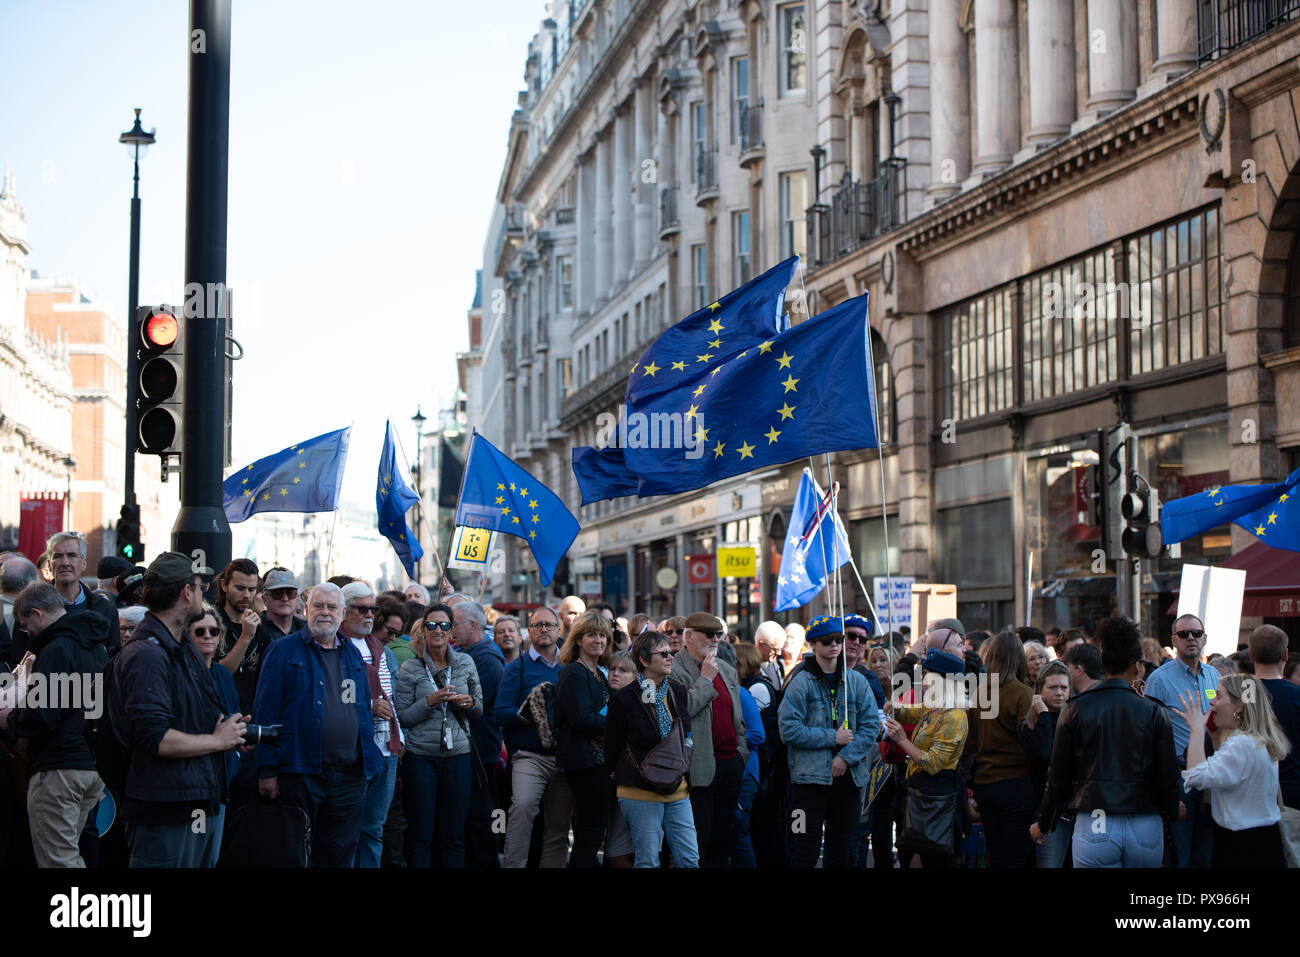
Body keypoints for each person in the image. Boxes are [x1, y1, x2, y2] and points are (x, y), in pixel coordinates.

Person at [109, 552, 246, 867]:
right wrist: (218, 741)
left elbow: (192, 717)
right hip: (166, 811)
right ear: (187, 593)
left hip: (196, 801)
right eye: (200, 587)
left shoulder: (182, 648)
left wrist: (233, 732)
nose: (203, 593)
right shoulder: (147, 655)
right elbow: (155, 737)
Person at [1030, 616, 1181, 867]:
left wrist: (1044, 822)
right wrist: (1173, 809)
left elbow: (1058, 776)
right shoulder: (1153, 711)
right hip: (1144, 818)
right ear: (1136, 666)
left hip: (1094, 817)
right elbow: (1167, 774)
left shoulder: (1076, 708)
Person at [253, 582, 382, 867]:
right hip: (299, 770)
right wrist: (267, 770)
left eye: (332, 607)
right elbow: (266, 711)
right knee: (293, 854)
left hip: (349, 774)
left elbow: (361, 710)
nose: (325, 612)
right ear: (306, 609)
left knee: (339, 854)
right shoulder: (282, 650)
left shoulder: (351, 653)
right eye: (318, 606)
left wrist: (368, 763)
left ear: (343, 613)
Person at [11, 582, 110, 867]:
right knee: (69, 854)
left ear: (37, 613)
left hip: (59, 770)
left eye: (24, 624)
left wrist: (11, 717)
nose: (26, 632)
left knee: (59, 860)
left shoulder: (56, 649)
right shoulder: (96, 646)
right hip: (90, 766)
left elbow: (42, 713)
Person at [779, 616, 880, 868]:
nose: (834, 646)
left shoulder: (856, 681)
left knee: (841, 851)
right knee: (803, 849)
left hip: (848, 783)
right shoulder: (800, 683)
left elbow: (870, 727)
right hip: (806, 783)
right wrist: (831, 737)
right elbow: (788, 730)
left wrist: (846, 756)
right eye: (827, 642)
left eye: (838, 640)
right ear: (813, 645)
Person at [394, 602, 482, 867]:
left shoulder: (466, 662)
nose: (438, 630)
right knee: (421, 833)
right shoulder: (411, 668)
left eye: (444, 625)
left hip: (458, 758)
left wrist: (469, 703)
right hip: (421, 758)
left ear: (451, 631)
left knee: (453, 833)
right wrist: (429, 702)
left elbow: (480, 708)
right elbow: (403, 717)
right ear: (423, 630)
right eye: (431, 624)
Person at [604, 631, 698, 868]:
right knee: (647, 861)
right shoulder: (624, 699)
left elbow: (686, 733)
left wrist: (686, 756)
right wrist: (617, 770)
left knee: (689, 860)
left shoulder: (677, 691)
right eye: (663, 653)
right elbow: (612, 745)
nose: (670, 657)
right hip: (640, 791)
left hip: (678, 789)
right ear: (644, 661)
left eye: (671, 653)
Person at [1178, 673, 1290, 867]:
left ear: (1239, 706)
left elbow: (1195, 776)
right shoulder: (1255, 739)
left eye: (1219, 695)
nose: (1212, 701)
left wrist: (1196, 730)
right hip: (1260, 840)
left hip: (1243, 846)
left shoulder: (1242, 743)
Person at [495, 604, 572, 868]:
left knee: (559, 825)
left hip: (564, 757)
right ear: (529, 631)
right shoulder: (517, 668)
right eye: (538, 625)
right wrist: (531, 713)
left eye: (549, 625)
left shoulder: (569, 665)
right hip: (530, 757)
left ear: (558, 629)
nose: (544, 630)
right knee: (522, 808)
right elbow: (499, 712)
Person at [669, 611, 748, 868]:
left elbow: (738, 717)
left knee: (723, 839)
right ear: (689, 636)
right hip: (697, 767)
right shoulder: (674, 669)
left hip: (729, 763)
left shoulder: (725, 668)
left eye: (718, 635)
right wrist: (704, 678)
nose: (715, 640)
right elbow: (683, 710)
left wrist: (740, 752)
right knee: (697, 840)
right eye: (708, 635)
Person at [1142, 613, 1219, 868]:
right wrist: (1167, 791)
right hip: (1179, 776)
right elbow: (1149, 738)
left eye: (1196, 633)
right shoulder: (1159, 680)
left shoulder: (1215, 677)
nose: (1191, 639)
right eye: (1184, 634)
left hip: (1212, 772)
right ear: (1173, 640)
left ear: (1205, 638)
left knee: (1207, 853)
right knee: (1180, 854)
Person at [882, 649, 970, 867]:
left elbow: (933, 763)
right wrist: (896, 708)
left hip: (936, 800)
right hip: (920, 793)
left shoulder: (954, 717)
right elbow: (912, 712)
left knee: (934, 859)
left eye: (926, 674)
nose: (921, 679)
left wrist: (903, 740)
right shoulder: (935, 707)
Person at [338, 582, 404, 869]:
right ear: (344, 611)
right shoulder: (334, 645)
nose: (369, 615)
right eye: (362, 609)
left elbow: (392, 697)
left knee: (374, 829)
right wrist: (366, 706)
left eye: (372, 609)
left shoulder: (381, 648)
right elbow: (328, 698)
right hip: (353, 750)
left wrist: (399, 736)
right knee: (347, 829)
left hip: (387, 750)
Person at [972, 629, 1035, 867]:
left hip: (986, 784)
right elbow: (1031, 743)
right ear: (1018, 658)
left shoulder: (980, 693)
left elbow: (972, 742)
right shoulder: (1024, 694)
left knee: (996, 854)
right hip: (1016, 785)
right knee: (1018, 856)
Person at [450, 596, 505, 868]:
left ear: (472, 625)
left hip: (480, 752)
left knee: (482, 817)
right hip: (466, 751)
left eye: (453, 624)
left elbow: (472, 702)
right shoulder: (469, 655)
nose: (449, 630)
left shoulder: (487, 660)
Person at [554, 610, 612, 868]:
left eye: (603, 635)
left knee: (593, 831)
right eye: (591, 635)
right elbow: (581, 719)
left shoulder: (598, 672)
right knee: (589, 834)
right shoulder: (575, 673)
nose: (598, 640)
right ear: (578, 640)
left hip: (598, 762)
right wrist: (617, 725)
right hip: (584, 762)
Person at [185, 603, 241, 867]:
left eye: (214, 631)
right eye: (200, 631)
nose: (208, 635)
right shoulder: (180, 674)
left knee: (211, 860)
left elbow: (233, 713)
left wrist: (241, 735)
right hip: (191, 783)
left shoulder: (221, 674)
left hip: (221, 782)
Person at [1018, 660, 1071, 868]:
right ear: (1040, 690)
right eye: (1053, 687)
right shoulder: (1030, 723)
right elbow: (1043, 753)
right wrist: (1044, 715)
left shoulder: (1076, 718)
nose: (1059, 693)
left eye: (1064, 687)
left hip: (1073, 809)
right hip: (1043, 809)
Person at [1248, 625, 1300, 809]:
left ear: (1250, 656)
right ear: (1285, 655)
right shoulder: (1296, 695)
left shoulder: (1241, 692)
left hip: (1248, 794)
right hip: (1292, 793)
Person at [46, 532, 120, 653]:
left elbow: (113, 658)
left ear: (83, 564)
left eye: (71, 555)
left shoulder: (105, 609)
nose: (65, 563)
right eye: (58, 556)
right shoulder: (34, 607)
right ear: (49, 565)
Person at [602, 652, 638, 867]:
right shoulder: (609, 698)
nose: (615, 674)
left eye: (622, 670)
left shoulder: (635, 702)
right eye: (612, 669)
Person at [755, 619, 786, 688]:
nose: (779, 653)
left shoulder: (777, 664)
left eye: (781, 648)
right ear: (760, 644)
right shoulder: (749, 668)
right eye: (775, 649)